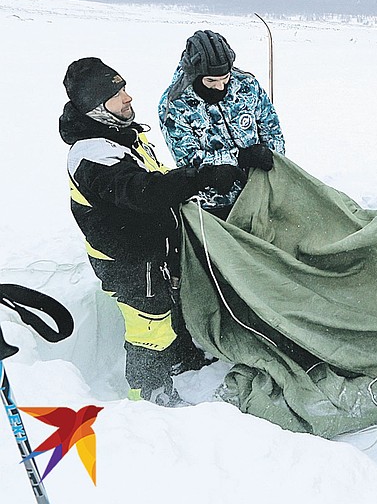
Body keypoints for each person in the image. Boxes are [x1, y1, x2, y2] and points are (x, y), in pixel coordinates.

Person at [59, 57, 246, 406]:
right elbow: (146, 191)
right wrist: (201, 177)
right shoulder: (92, 157)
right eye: (117, 94)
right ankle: (148, 395)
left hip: (152, 249)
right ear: (98, 108)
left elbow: (156, 178)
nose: (128, 97)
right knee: (150, 327)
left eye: (124, 88)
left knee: (171, 305)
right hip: (127, 260)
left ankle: (182, 360)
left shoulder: (121, 137)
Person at [159, 29, 285, 219]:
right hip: (213, 205)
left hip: (259, 192)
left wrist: (268, 156)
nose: (220, 86)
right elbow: (189, 159)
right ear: (194, 74)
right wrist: (238, 158)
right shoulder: (175, 104)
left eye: (225, 78)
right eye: (211, 80)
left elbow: (272, 130)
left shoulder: (247, 85)